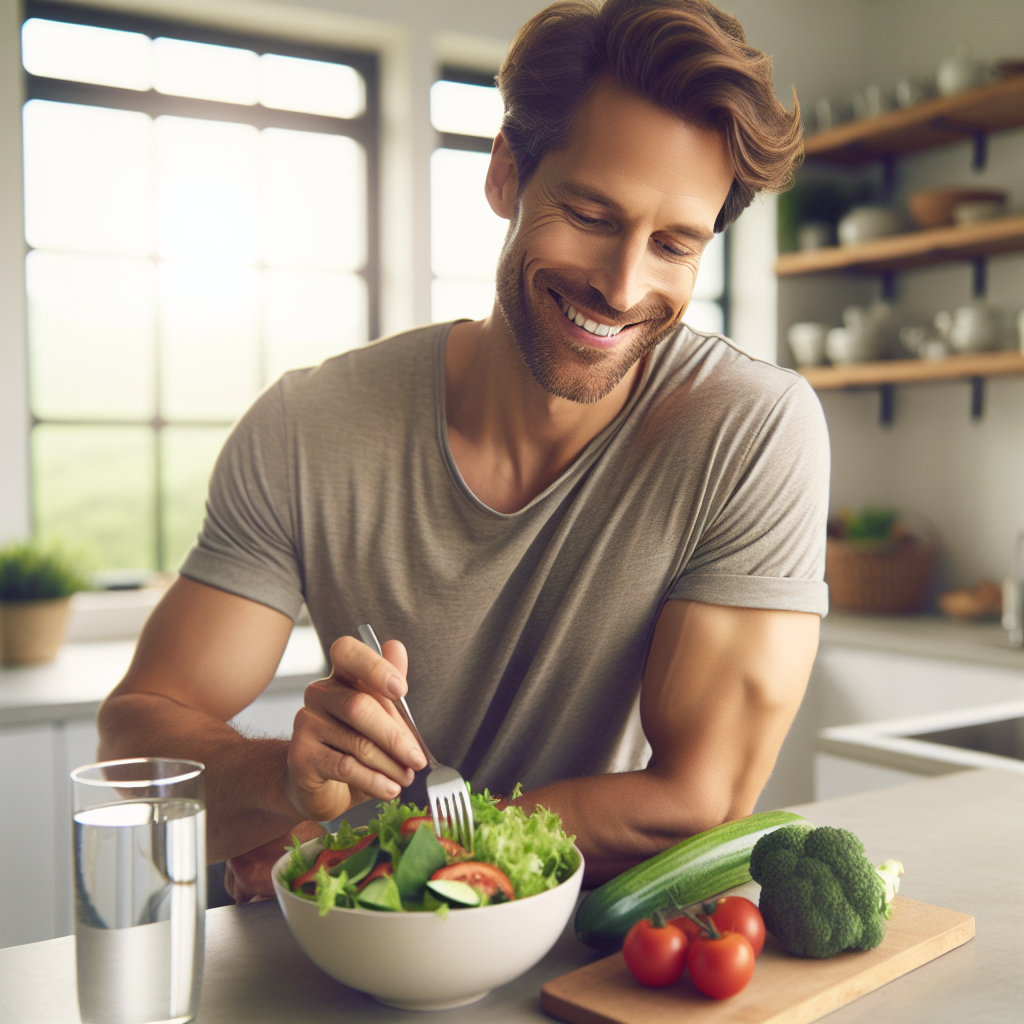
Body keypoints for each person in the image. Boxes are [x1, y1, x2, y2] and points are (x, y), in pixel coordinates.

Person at [99, 0, 826, 903]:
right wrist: (283, 782)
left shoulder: (751, 432)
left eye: (674, 245)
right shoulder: (308, 425)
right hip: (345, 950)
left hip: (588, 957)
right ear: (505, 173)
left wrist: (396, 848)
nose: (622, 286)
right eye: (591, 214)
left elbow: (699, 800)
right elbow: (135, 744)